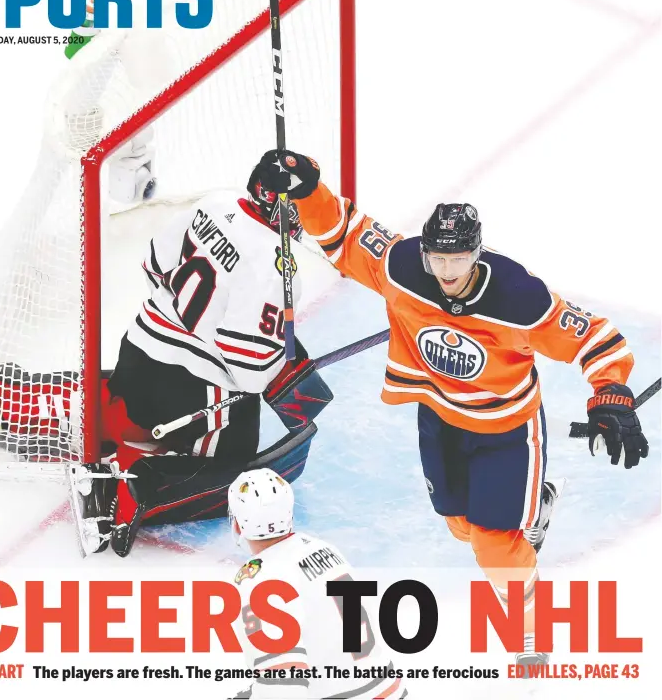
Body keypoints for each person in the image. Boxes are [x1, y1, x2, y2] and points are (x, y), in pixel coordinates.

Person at [253, 149, 649, 673]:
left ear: (476, 255)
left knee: (492, 543)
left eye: (456, 261)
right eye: (437, 259)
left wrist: (611, 395)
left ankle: (527, 631)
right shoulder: (401, 266)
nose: (445, 272)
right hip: (438, 421)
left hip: (507, 429)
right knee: (461, 525)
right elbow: (345, 234)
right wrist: (306, 191)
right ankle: (533, 516)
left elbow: (596, 338)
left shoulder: (518, 297)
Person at [67, 159, 333, 558]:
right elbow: (249, 375)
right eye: (308, 200)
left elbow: (154, 265)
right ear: (289, 207)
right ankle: (131, 487)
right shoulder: (279, 265)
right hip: (188, 397)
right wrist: (281, 359)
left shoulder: (215, 202)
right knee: (239, 464)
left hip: (135, 352)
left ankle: (64, 403)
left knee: (134, 393)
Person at [228, 468, 408, 699]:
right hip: (391, 690)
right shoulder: (323, 548)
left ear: (238, 525)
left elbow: (284, 686)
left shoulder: (256, 580)